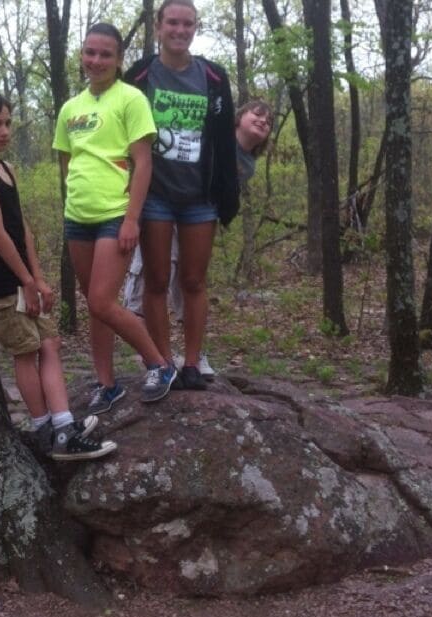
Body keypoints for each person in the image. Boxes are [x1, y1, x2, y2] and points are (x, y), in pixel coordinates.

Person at [0, 90, 116, 461]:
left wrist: (38, 277)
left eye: (8, 123)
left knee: (50, 344)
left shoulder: (7, 168)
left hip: (22, 277)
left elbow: (22, 229)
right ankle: (45, 427)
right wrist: (24, 281)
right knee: (27, 351)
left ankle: (63, 424)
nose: (4, 131)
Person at [53, 22, 178, 416]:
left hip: (114, 216)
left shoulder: (131, 99)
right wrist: (74, 200)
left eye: (105, 54)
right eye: (90, 52)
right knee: (95, 305)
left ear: (119, 59)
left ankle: (159, 363)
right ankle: (106, 384)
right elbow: (66, 162)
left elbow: (143, 163)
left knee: (103, 301)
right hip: (78, 218)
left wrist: (131, 219)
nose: (96, 60)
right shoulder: (71, 109)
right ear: (82, 55)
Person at [125, 0, 239, 391]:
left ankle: (192, 362)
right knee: (156, 280)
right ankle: (161, 363)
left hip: (199, 197)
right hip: (154, 193)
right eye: (172, 22)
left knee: (193, 280)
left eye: (187, 23)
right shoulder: (139, 75)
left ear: (196, 28)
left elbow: (224, 140)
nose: (180, 29)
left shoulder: (212, 76)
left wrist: (228, 194)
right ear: (158, 26)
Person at [121, 98, 274, 381]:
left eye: (269, 121)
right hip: (165, 205)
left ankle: (193, 353)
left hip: (198, 218)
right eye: (257, 114)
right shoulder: (214, 134)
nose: (263, 121)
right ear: (238, 117)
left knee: (190, 282)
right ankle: (153, 354)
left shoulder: (248, 164)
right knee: (152, 276)